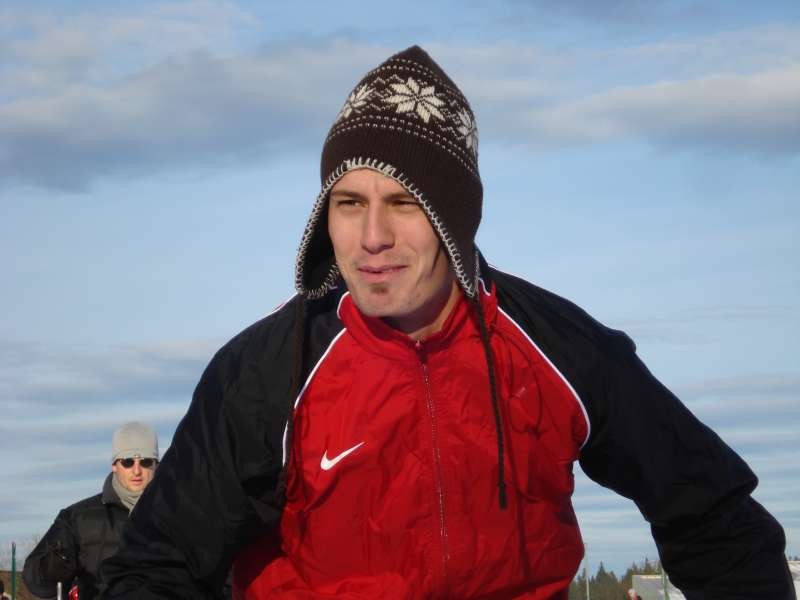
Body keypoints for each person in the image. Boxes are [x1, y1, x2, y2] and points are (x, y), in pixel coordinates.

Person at [100, 46, 795, 599]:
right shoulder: (266, 372)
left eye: (404, 203)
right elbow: (157, 567)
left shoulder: (560, 348)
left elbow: (712, 516)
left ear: (454, 216)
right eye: (349, 203)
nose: (372, 237)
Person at [23, 422, 159, 600]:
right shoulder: (77, 519)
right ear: (114, 465)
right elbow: (35, 581)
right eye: (127, 462)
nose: (136, 470)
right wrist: (50, 568)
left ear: (156, 464)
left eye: (146, 462)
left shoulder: (180, 515)